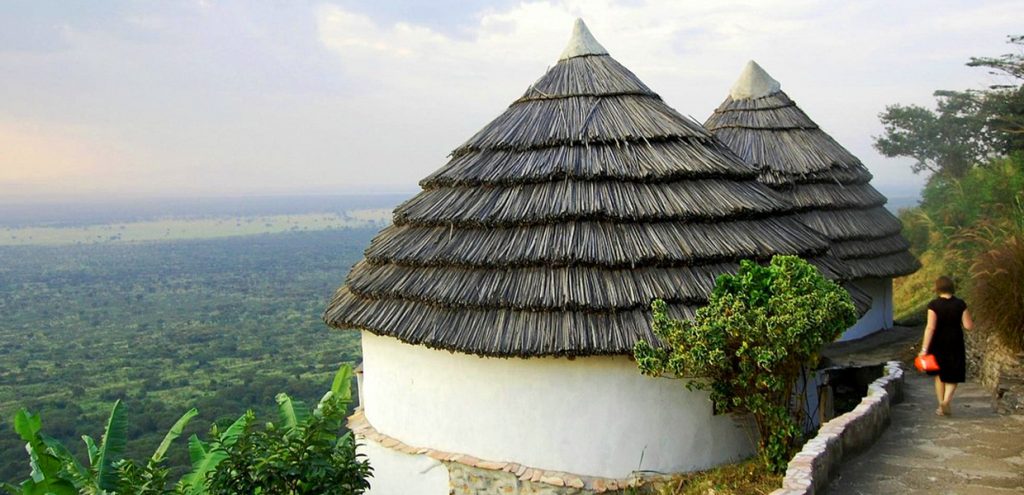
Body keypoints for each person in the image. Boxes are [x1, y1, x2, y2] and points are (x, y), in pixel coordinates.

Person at [919, 276, 974, 416]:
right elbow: (968, 326)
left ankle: (940, 405)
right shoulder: (961, 304)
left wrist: (924, 349)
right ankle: (946, 401)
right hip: (955, 341)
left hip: (938, 342)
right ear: (952, 287)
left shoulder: (933, 305)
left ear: (937, 288)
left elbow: (930, 328)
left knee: (939, 374)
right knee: (953, 373)